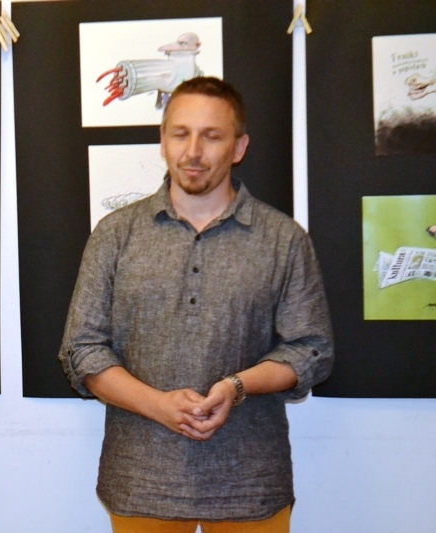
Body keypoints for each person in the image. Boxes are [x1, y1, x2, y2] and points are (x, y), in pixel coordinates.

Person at [58, 76, 334, 532]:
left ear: (239, 147)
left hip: (250, 483)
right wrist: (157, 405)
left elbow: (312, 351)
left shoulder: (282, 239)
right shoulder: (115, 235)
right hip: (141, 482)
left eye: (212, 136)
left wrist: (236, 387)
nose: (193, 151)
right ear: (162, 141)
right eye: (180, 134)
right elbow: (82, 350)